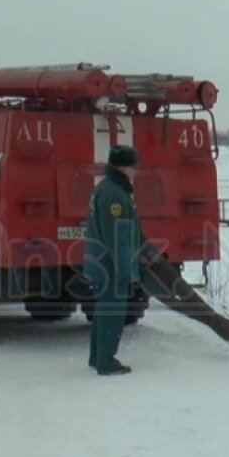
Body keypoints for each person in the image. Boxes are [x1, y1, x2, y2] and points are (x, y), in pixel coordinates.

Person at [83, 144, 143, 376]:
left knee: (103, 311)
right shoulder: (114, 194)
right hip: (111, 265)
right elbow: (117, 236)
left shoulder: (107, 188)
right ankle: (106, 361)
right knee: (112, 312)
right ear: (124, 167)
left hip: (102, 263)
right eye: (134, 167)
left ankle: (97, 356)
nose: (136, 171)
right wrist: (127, 270)